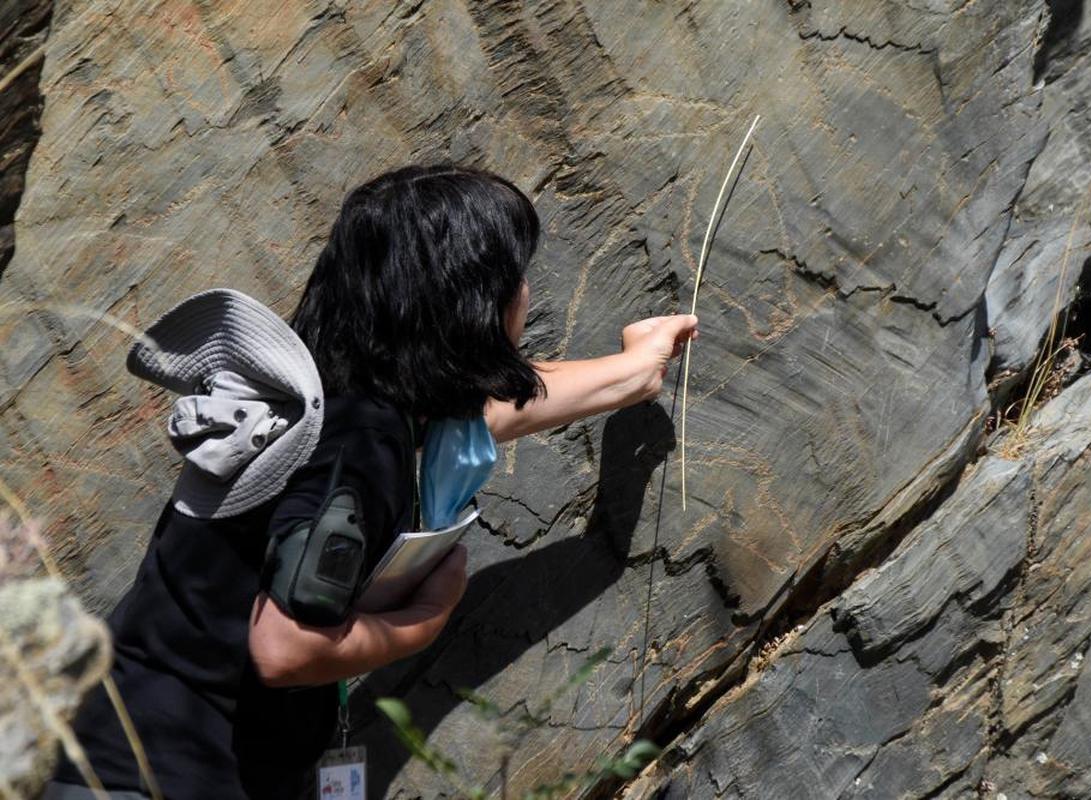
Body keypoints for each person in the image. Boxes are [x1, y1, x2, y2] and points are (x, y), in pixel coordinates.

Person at [44, 164, 699, 799]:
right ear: (469, 299)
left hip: (117, 755)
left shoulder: (332, 391)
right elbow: (282, 647)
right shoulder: (361, 445)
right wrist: (422, 622)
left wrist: (635, 367)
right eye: (516, 276)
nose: (526, 294)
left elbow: (484, 410)